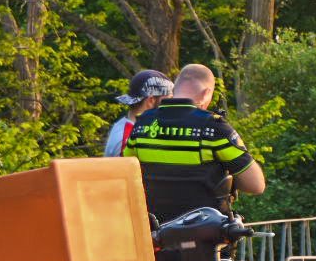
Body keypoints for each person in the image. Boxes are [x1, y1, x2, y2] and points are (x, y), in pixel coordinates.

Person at [124, 64, 265, 222]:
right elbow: (256, 185)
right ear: (206, 93)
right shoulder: (213, 127)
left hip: (155, 233)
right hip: (204, 235)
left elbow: (125, 173)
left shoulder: (142, 124)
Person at [103, 69, 173, 156]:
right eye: (168, 100)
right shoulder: (127, 138)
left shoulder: (131, 129)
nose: (171, 105)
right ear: (151, 101)